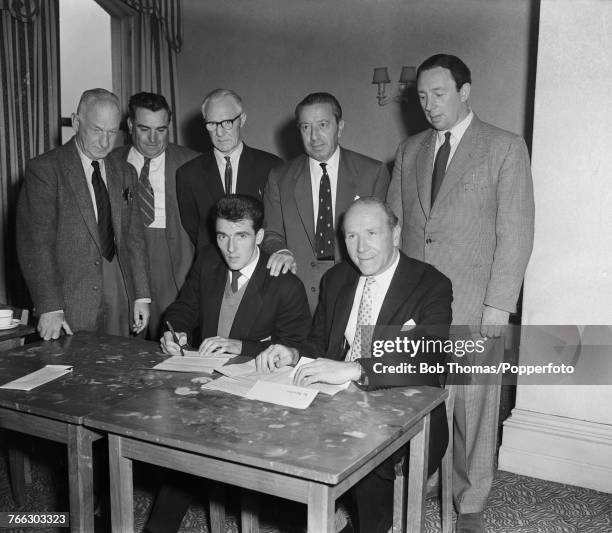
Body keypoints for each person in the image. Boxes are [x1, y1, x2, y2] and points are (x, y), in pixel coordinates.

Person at [387, 54, 535, 533]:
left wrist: (498, 307)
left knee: (473, 408)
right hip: (416, 302)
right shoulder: (409, 150)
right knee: (421, 400)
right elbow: (395, 227)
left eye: (440, 93)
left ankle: (470, 503)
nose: (429, 105)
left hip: (476, 299)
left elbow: (516, 233)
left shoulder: (504, 147)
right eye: (423, 96)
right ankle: (427, 478)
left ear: (465, 91)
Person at [256, 197, 452, 533]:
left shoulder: (430, 284)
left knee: (366, 454)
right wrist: (292, 352)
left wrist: (357, 368)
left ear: (395, 233)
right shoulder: (337, 279)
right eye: (350, 237)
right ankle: (324, 520)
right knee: (274, 447)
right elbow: (319, 342)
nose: (360, 248)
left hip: (404, 413)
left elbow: (428, 359)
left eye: (371, 233)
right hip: (335, 400)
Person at [144, 194, 311, 533]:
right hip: (203, 388)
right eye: (222, 236)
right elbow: (184, 308)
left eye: (241, 236)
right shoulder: (208, 261)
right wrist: (172, 331)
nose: (230, 248)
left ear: (260, 237)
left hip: (259, 398)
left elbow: (297, 347)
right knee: (179, 441)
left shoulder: (286, 284)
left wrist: (241, 346)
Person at [17, 88, 151, 340]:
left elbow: (134, 238)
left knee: (120, 372)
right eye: (97, 130)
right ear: (76, 122)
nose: (105, 142)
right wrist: (49, 307)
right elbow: (36, 245)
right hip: (69, 301)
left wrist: (141, 294)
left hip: (119, 295)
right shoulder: (45, 170)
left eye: (112, 132)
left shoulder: (125, 172)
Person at [262, 92, 390, 312]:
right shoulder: (279, 177)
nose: (314, 137)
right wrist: (281, 251)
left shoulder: (373, 173)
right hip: (298, 297)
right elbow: (271, 233)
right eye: (305, 127)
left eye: (323, 125)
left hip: (357, 293)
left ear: (339, 127)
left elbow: (385, 238)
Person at [112, 92, 199, 339]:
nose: (153, 139)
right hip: (125, 260)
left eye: (161, 130)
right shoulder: (111, 163)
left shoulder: (192, 163)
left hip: (176, 262)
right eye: (144, 129)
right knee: (128, 341)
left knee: (173, 339)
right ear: (129, 126)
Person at [176, 89, 281, 250]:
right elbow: (193, 227)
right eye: (212, 124)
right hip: (212, 267)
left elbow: (276, 226)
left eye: (227, 122)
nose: (219, 132)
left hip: (260, 265)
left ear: (242, 120)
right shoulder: (188, 174)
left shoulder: (272, 167)